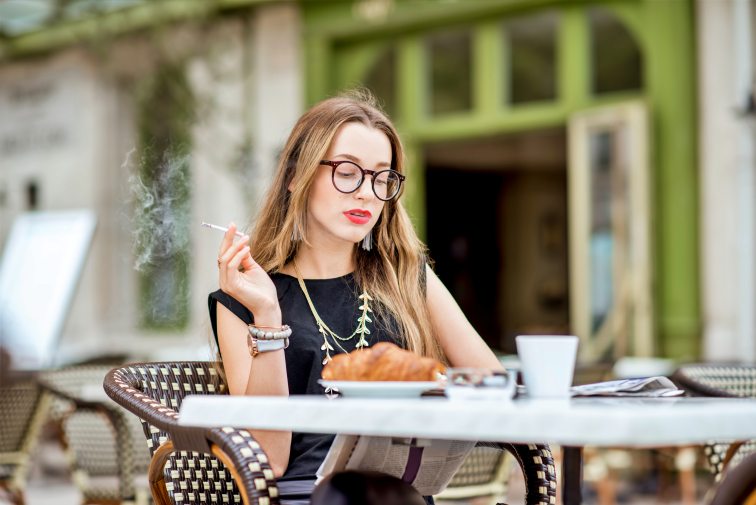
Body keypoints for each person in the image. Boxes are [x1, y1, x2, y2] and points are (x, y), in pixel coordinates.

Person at [208, 91, 502, 504]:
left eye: (382, 177)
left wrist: (434, 391)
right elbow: (269, 458)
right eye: (348, 172)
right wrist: (267, 314)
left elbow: (491, 388)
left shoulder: (406, 276)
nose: (367, 193)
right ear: (297, 176)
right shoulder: (244, 297)